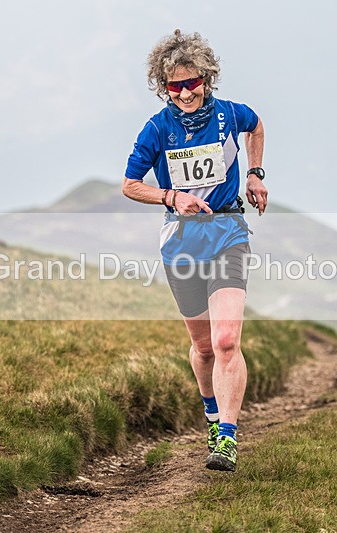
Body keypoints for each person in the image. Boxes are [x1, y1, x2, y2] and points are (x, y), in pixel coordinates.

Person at [122, 30, 267, 472]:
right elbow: (130, 184)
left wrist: (255, 173)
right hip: (181, 240)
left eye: (192, 83)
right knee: (203, 347)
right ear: (163, 87)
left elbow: (256, 124)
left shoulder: (228, 114)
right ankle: (210, 412)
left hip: (227, 231)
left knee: (226, 340)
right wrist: (170, 196)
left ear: (206, 77)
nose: (185, 93)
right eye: (174, 86)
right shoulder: (157, 128)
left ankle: (226, 437)